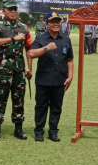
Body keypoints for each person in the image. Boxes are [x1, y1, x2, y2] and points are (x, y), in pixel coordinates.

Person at [0, 0, 33, 141]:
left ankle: (18, 129)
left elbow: (29, 49)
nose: (13, 11)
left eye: (15, 9)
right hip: (2, 71)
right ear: (3, 10)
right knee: (0, 99)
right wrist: (13, 38)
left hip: (19, 71)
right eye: (10, 9)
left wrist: (30, 68)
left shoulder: (24, 28)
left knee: (18, 100)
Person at [29, 12, 74, 142]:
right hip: (44, 79)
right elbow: (31, 53)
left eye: (57, 21)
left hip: (60, 79)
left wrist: (70, 76)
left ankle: (53, 131)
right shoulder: (41, 38)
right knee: (41, 106)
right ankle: (39, 131)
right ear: (47, 24)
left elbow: (70, 59)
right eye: (52, 21)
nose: (56, 24)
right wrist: (46, 48)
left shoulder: (66, 39)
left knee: (56, 106)